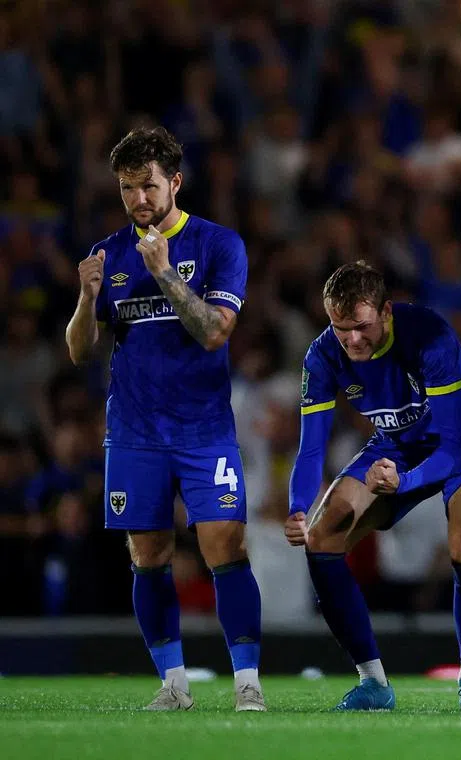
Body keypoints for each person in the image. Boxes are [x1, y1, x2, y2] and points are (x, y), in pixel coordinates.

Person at [65, 127, 264, 712]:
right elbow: (79, 352)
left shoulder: (219, 244)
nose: (138, 199)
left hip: (205, 429)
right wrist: (86, 299)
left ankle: (247, 683)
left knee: (226, 547)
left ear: (175, 182)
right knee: (148, 556)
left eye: (148, 186)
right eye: (127, 188)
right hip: (134, 432)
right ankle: (174, 684)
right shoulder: (109, 253)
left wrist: (165, 273)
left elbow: (215, 333)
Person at [285, 261, 461, 712]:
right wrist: (297, 507)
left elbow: (452, 447)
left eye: (361, 327)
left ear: (386, 311)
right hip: (396, 445)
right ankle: (373, 683)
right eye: (341, 328)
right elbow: (311, 451)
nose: (352, 340)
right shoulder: (322, 355)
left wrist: (405, 481)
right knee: (321, 538)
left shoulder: (428, 336)